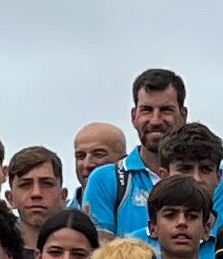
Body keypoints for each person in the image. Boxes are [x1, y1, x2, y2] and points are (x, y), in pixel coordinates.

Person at [82, 66, 192, 234]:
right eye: (147, 110)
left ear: (183, 115)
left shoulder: (212, 176)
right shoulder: (105, 179)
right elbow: (99, 255)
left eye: (166, 110)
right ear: (134, 116)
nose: (155, 120)